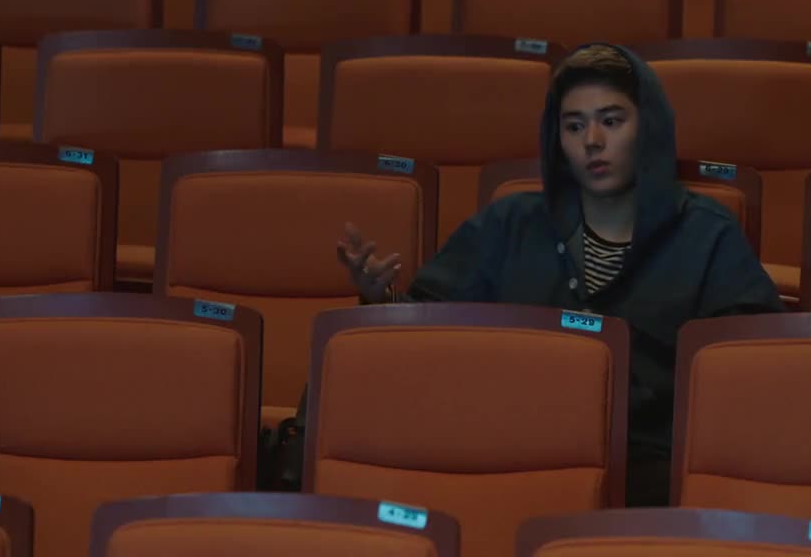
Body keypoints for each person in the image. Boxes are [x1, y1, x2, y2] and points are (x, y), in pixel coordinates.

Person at [333, 43, 784, 505]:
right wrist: (382, 299)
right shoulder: (509, 223)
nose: (592, 140)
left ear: (648, 128)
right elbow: (437, 328)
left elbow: (747, 366)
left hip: (644, 466)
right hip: (514, 451)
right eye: (574, 126)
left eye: (611, 121)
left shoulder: (707, 234)